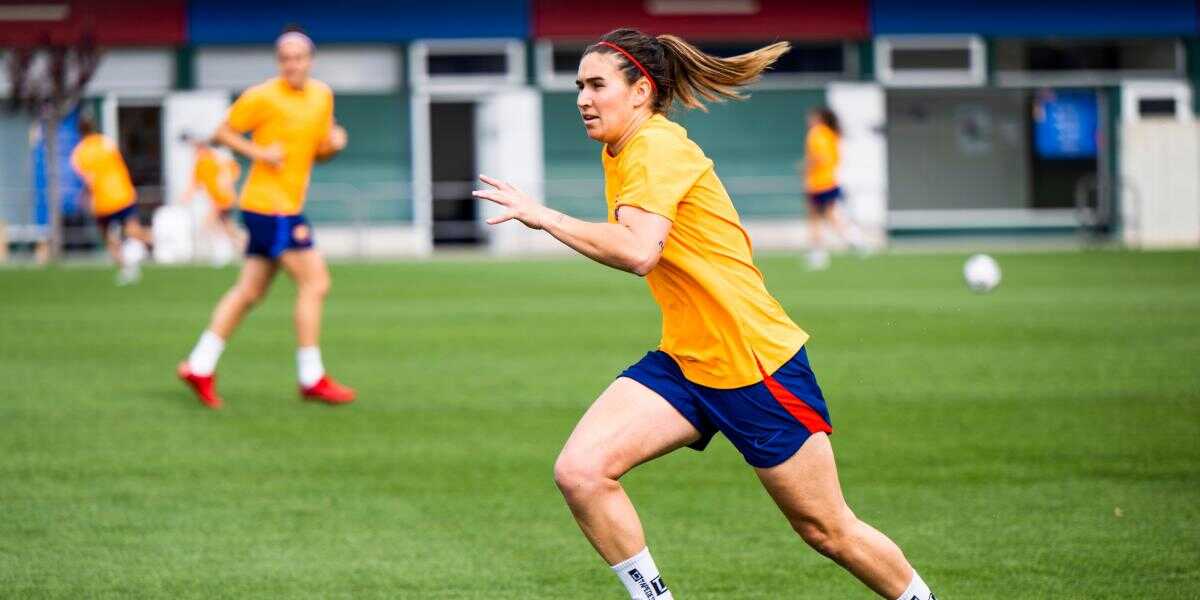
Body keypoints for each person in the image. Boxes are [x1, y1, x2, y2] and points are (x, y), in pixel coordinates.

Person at [474, 28, 936, 600]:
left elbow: (638, 251)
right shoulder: (620, 149)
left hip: (752, 362)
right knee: (581, 471)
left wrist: (543, 216)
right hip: (689, 359)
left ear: (640, 91)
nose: (583, 99)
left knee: (827, 529)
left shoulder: (657, 147)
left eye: (596, 85)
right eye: (579, 87)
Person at [177, 28, 355, 409]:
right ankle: (311, 377)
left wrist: (334, 145)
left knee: (250, 292)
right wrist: (259, 153)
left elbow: (318, 151)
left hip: (282, 206)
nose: (292, 64)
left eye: (298, 57)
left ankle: (199, 365)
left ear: (310, 60)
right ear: (278, 62)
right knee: (316, 282)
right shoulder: (262, 96)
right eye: (285, 58)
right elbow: (221, 133)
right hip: (271, 207)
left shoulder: (322, 96)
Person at [69, 115, 151, 284]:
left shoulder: (78, 154)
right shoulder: (106, 142)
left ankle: (126, 268)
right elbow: (120, 163)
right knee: (133, 230)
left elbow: (88, 180)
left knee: (108, 237)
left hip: (103, 200)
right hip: (122, 192)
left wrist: (84, 198)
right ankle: (158, 242)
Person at [801, 106, 868, 270]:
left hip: (818, 183)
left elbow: (820, 158)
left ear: (819, 118)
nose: (809, 120)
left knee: (815, 219)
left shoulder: (817, 134)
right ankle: (855, 240)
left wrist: (806, 167)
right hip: (830, 181)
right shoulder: (832, 134)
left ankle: (818, 254)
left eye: (812, 117)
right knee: (831, 217)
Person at [179, 134, 242, 266]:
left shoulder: (210, 160)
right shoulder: (207, 161)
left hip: (222, 199)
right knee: (228, 228)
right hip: (220, 199)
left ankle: (222, 251)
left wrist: (227, 182)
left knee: (209, 224)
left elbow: (233, 170)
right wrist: (187, 196)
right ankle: (242, 249)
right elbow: (196, 183)